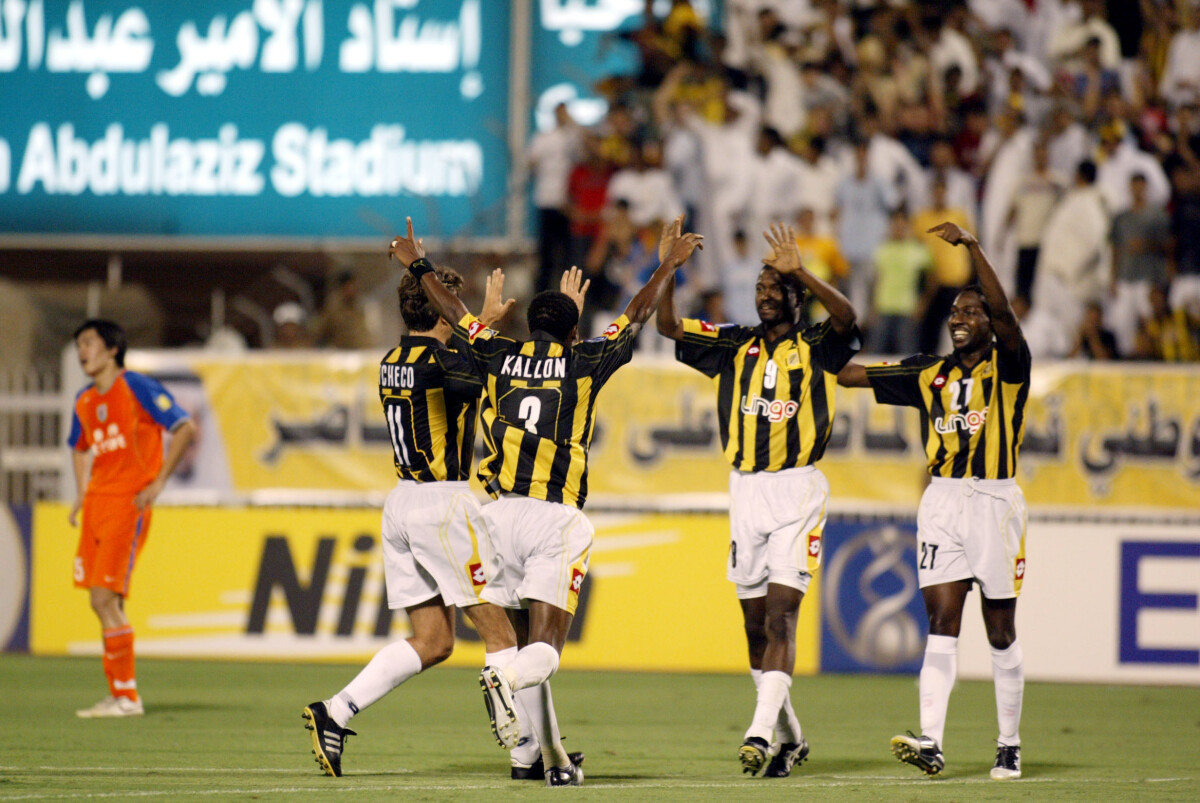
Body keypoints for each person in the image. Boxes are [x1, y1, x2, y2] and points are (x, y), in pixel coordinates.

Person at [390, 214, 703, 787]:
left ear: (530, 327)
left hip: (495, 516)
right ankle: (503, 683)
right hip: (553, 520)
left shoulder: (499, 355)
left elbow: (455, 313)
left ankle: (544, 759)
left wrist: (417, 262)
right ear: (574, 327)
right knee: (546, 650)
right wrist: (670, 263)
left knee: (515, 643)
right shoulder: (583, 362)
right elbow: (634, 313)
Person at [301, 267, 534, 779]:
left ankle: (335, 712)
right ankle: (527, 757)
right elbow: (493, 375)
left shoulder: (393, 359)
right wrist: (486, 326)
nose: (460, 309)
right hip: (442, 504)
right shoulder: (444, 361)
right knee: (502, 635)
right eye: (454, 301)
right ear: (440, 307)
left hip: (401, 502)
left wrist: (476, 327)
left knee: (433, 641)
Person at [657, 223, 860, 778]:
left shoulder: (817, 345)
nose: (765, 293)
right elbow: (669, 325)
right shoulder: (734, 344)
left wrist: (803, 271)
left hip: (797, 489)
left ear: (796, 297)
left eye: (777, 287)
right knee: (753, 627)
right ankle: (791, 738)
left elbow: (846, 319)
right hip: (745, 491)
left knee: (780, 618)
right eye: (761, 286)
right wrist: (669, 268)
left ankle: (758, 732)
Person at [837, 222, 1030, 781]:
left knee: (999, 630)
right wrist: (821, 340)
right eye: (954, 312)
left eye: (971, 312)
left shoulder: (1009, 367)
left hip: (995, 503)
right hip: (942, 503)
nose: (959, 319)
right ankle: (931, 740)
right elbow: (850, 375)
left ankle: (1009, 743)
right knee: (942, 622)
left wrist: (972, 250)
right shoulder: (929, 374)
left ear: (991, 324)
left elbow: (1010, 317)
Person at [68, 320, 196, 718]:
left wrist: (157, 482)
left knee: (103, 598)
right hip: (96, 506)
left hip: (128, 504)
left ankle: (126, 697)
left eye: (88, 342)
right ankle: (120, 693)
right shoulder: (84, 400)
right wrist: (80, 491)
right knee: (103, 600)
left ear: (111, 349)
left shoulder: (136, 386)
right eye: (79, 345)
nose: (82, 351)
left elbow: (184, 426)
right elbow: (79, 446)